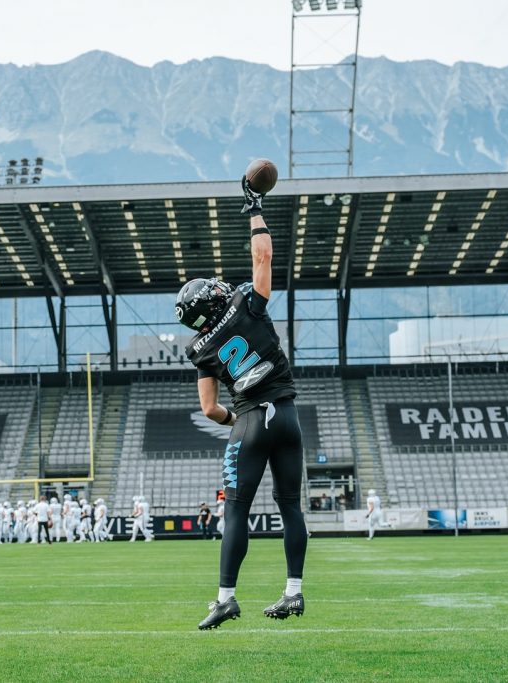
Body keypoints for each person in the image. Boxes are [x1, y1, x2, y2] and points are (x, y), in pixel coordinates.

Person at [176, 175, 307, 629]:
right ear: (210, 301)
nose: (217, 286)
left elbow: (209, 410)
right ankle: (293, 591)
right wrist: (254, 209)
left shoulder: (200, 349)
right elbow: (263, 256)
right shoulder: (245, 302)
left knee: (236, 509)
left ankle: (226, 599)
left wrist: (239, 420)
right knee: (290, 505)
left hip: (250, 420)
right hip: (288, 416)